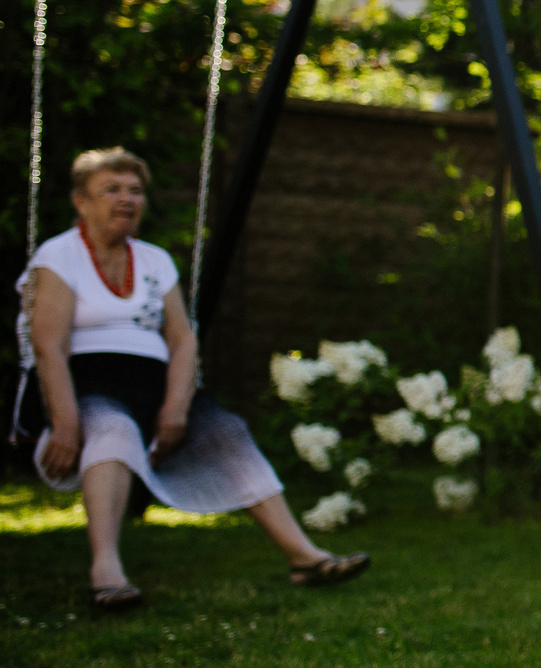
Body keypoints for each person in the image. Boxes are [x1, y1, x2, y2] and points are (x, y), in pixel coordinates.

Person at [15, 147, 369, 608]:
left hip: (156, 383)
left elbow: (182, 340)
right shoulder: (59, 256)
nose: (126, 199)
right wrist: (64, 422)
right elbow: (48, 345)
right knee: (112, 432)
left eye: (135, 191)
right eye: (112, 190)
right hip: (88, 382)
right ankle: (106, 569)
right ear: (81, 201)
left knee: (226, 432)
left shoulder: (156, 260)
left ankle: (304, 557)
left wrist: (176, 408)